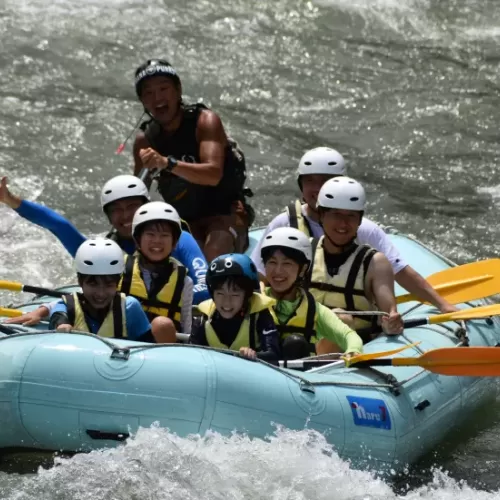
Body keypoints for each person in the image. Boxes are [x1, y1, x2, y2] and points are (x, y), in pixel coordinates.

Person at [250, 146, 457, 314]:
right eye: (310, 181)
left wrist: (441, 304)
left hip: (350, 319)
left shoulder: (363, 228)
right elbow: (258, 276)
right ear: (300, 185)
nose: (317, 188)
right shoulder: (284, 223)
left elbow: (401, 272)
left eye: (325, 180)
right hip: (299, 316)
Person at [0, 174, 209, 305]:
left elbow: (207, 286)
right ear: (108, 217)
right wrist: (10, 199)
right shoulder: (105, 250)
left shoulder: (178, 239)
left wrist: (167, 296)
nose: (125, 216)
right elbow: (59, 226)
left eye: (131, 207)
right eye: (116, 210)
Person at [131, 59, 254, 261]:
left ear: (178, 90)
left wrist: (167, 163)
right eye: (149, 93)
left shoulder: (205, 121)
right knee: (178, 257)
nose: (157, 98)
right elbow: (137, 195)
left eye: (163, 89)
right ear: (143, 102)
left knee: (213, 251)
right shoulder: (145, 140)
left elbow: (213, 174)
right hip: (184, 220)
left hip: (226, 212)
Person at [307, 177, 404, 342]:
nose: (343, 223)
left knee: (338, 317)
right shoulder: (303, 250)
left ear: (359, 220)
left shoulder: (375, 263)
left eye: (351, 216)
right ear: (322, 215)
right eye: (336, 214)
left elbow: (388, 314)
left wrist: (391, 324)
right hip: (300, 344)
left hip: (347, 350)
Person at [260, 227, 364, 356]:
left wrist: (353, 350)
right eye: (272, 262)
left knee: (295, 344)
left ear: (303, 269)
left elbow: (349, 336)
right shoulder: (253, 302)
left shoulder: (314, 310)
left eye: (287, 263)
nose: (278, 271)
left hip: (302, 374)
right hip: (257, 371)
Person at [49, 238, 162, 342]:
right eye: (93, 284)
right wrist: (62, 325)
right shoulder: (67, 306)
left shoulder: (130, 307)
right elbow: (58, 316)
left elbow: (148, 345)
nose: (101, 293)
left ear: (117, 283)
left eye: (109, 285)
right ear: (80, 282)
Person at [121, 201, 193, 340]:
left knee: (162, 325)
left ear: (174, 242)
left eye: (164, 235)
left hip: (160, 352)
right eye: (150, 234)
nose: (157, 241)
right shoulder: (119, 269)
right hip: (121, 345)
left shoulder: (184, 282)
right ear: (138, 238)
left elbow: (187, 328)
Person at [190, 253, 280, 361]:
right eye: (220, 293)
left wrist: (254, 356)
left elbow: (273, 355)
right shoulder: (202, 320)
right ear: (212, 294)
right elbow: (192, 357)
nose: (227, 302)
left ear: (247, 295)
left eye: (235, 294)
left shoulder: (260, 317)